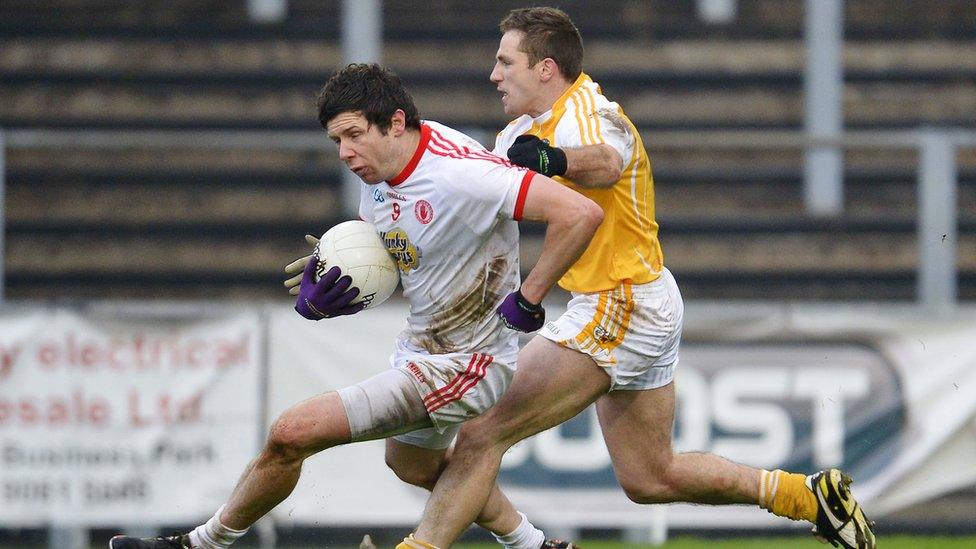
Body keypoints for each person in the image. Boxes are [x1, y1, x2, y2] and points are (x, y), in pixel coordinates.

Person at [391, 7, 877, 549]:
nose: (494, 74)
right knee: (650, 478)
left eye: (506, 62)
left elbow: (606, 161)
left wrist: (554, 160)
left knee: (484, 432)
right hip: (634, 299)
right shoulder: (516, 134)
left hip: (620, 302)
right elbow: (470, 204)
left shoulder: (590, 111)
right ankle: (806, 497)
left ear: (546, 68)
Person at [109, 63, 603, 549]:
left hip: (471, 362)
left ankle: (199, 544)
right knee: (413, 467)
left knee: (292, 432)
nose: (345, 154)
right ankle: (534, 545)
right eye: (335, 142)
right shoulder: (380, 171)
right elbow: (402, 258)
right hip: (422, 348)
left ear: (394, 123)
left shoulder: (462, 175)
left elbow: (581, 213)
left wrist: (530, 297)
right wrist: (338, 285)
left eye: (353, 135)